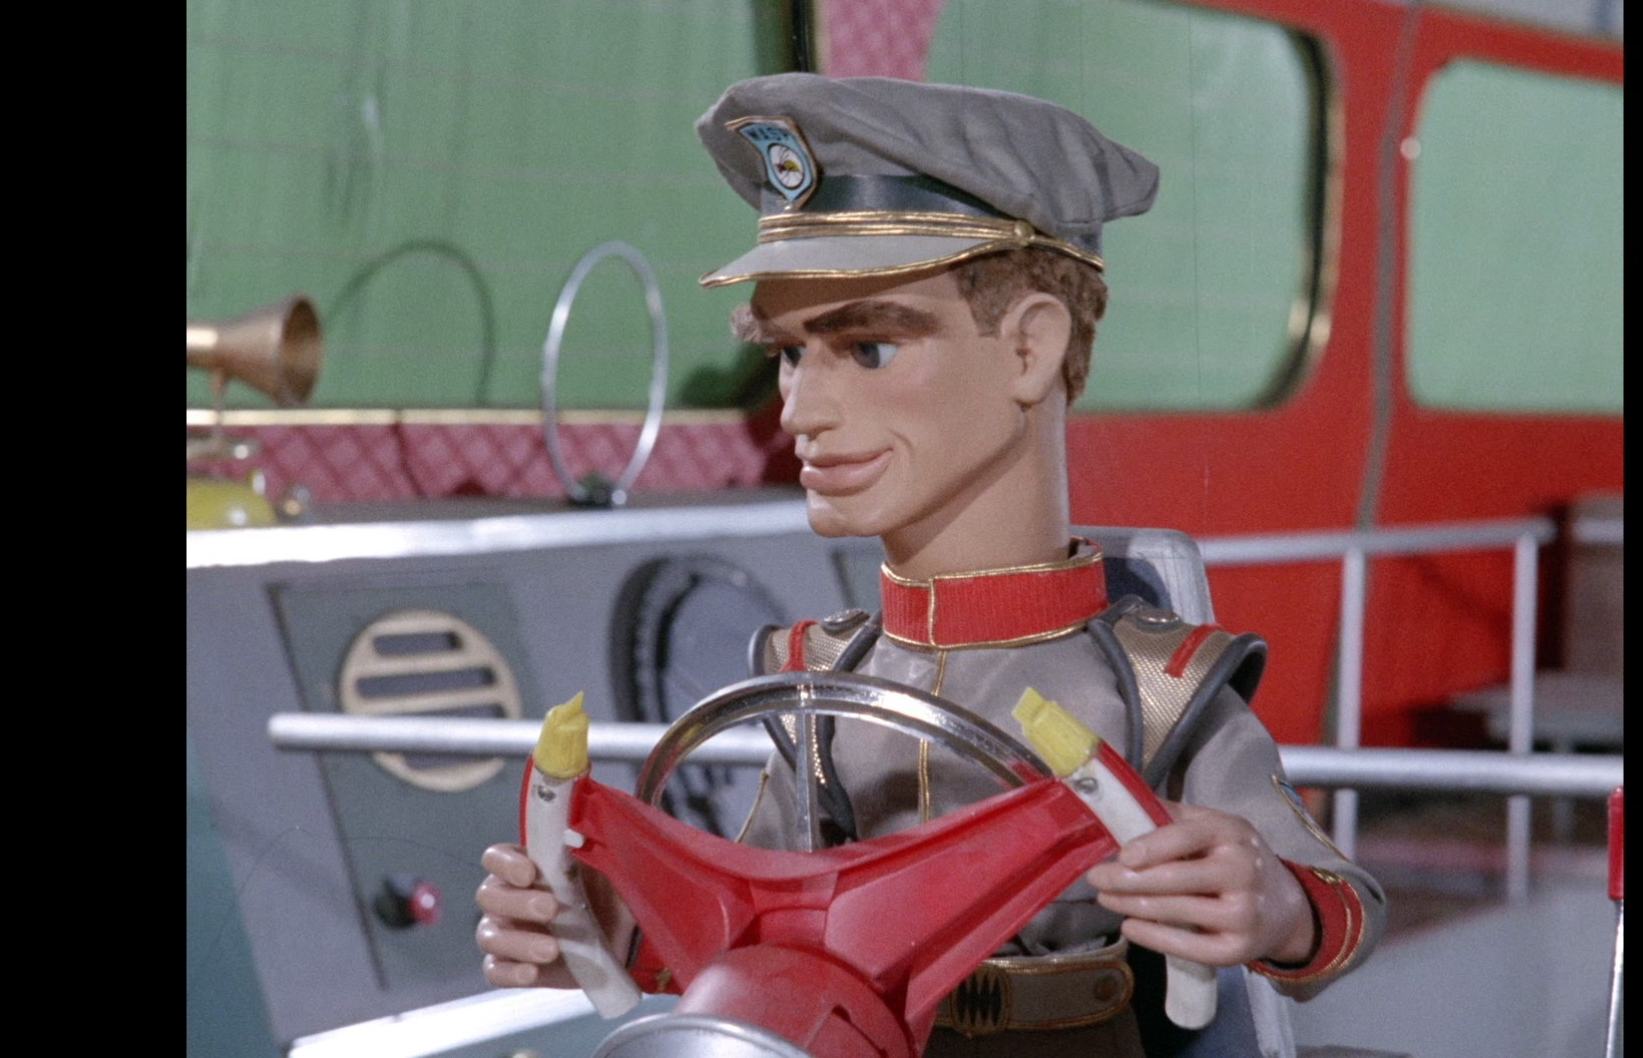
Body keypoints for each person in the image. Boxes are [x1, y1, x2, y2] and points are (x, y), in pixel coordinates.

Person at [477, 73, 1384, 1058]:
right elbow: (766, 923)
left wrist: (1271, 900)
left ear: (1030, 350)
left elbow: (1336, 908)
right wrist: (611, 925)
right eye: (788, 353)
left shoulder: (1160, 689)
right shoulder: (820, 680)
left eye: (868, 349)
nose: (800, 410)